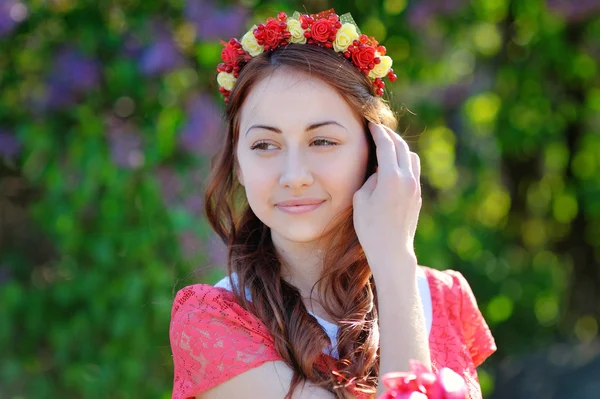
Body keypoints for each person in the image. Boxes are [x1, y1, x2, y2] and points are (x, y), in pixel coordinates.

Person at [169, 9, 496, 399]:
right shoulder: (214, 322)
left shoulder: (442, 297)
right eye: (264, 145)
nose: (294, 175)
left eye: (322, 141)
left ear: (376, 152)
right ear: (238, 165)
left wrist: (395, 264)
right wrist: (394, 265)